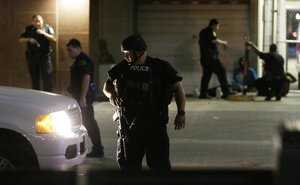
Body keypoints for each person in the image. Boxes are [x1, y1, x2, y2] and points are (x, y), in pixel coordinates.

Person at [103, 35, 186, 171]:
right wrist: (111, 95)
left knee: (160, 167)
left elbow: (178, 88)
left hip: (155, 126)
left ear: (139, 51)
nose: (126, 57)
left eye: (128, 53)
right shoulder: (123, 67)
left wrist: (181, 112)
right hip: (129, 127)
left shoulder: (160, 67)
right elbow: (106, 86)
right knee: (129, 167)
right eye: (125, 54)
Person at [66, 39, 104, 158]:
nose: (69, 52)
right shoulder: (78, 61)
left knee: (89, 122)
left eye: (70, 50)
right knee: (84, 122)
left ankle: (98, 149)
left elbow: (86, 78)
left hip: (84, 97)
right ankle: (89, 148)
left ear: (78, 48)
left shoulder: (83, 61)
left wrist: (82, 97)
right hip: (79, 96)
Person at [19, 15, 56, 92]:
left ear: (43, 21)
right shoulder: (29, 29)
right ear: (32, 22)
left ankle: (49, 97)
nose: (38, 23)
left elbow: (54, 38)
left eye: (40, 21)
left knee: (47, 79)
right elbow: (20, 39)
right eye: (36, 21)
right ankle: (36, 97)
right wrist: (29, 39)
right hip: (33, 57)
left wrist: (43, 33)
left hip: (45, 57)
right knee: (34, 79)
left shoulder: (47, 28)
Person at [198, 18, 231, 99]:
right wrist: (224, 42)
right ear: (213, 25)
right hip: (211, 58)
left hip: (205, 59)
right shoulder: (208, 31)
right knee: (221, 71)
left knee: (206, 75)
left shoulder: (205, 32)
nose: (218, 27)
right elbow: (214, 41)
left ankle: (203, 94)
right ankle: (226, 92)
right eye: (217, 25)